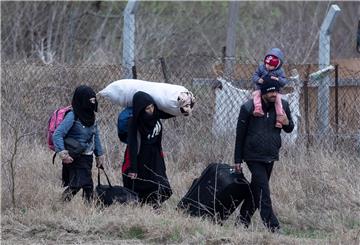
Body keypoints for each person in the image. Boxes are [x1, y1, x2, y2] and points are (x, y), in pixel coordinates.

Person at [234, 79, 294, 232]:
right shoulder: (249, 107)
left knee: (257, 189)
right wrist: (237, 159)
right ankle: (273, 227)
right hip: (252, 155)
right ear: (263, 92)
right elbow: (240, 135)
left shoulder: (283, 106)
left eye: (276, 91)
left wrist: (286, 122)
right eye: (270, 91)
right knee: (264, 192)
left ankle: (242, 222)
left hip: (271, 154)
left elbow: (289, 128)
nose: (274, 94)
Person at [53, 85, 105, 203]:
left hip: (87, 156)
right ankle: (61, 205)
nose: (93, 103)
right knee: (77, 184)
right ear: (82, 100)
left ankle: (88, 209)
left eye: (94, 100)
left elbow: (95, 136)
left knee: (87, 185)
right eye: (90, 101)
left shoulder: (92, 116)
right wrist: (63, 153)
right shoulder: (72, 115)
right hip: (74, 156)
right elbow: (57, 134)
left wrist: (99, 155)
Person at [122, 91, 174, 208]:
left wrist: (183, 109)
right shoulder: (133, 123)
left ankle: (155, 206)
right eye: (147, 109)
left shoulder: (156, 114)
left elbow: (170, 112)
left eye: (152, 106)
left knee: (161, 184)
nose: (151, 110)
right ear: (140, 110)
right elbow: (133, 145)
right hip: (141, 158)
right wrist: (133, 168)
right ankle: (147, 208)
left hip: (155, 156)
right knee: (143, 186)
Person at [252, 47, 289, 128]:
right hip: (261, 88)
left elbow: (284, 82)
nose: (268, 66)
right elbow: (254, 76)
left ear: (277, 65)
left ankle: (279, 119)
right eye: (267, 64)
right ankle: (258, 109)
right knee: (256, 94)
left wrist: (277, 79)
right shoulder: (262, 67)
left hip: (275, 91)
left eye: (271, 66)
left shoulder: (280, 71)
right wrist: (258, 80)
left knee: (278, 101)